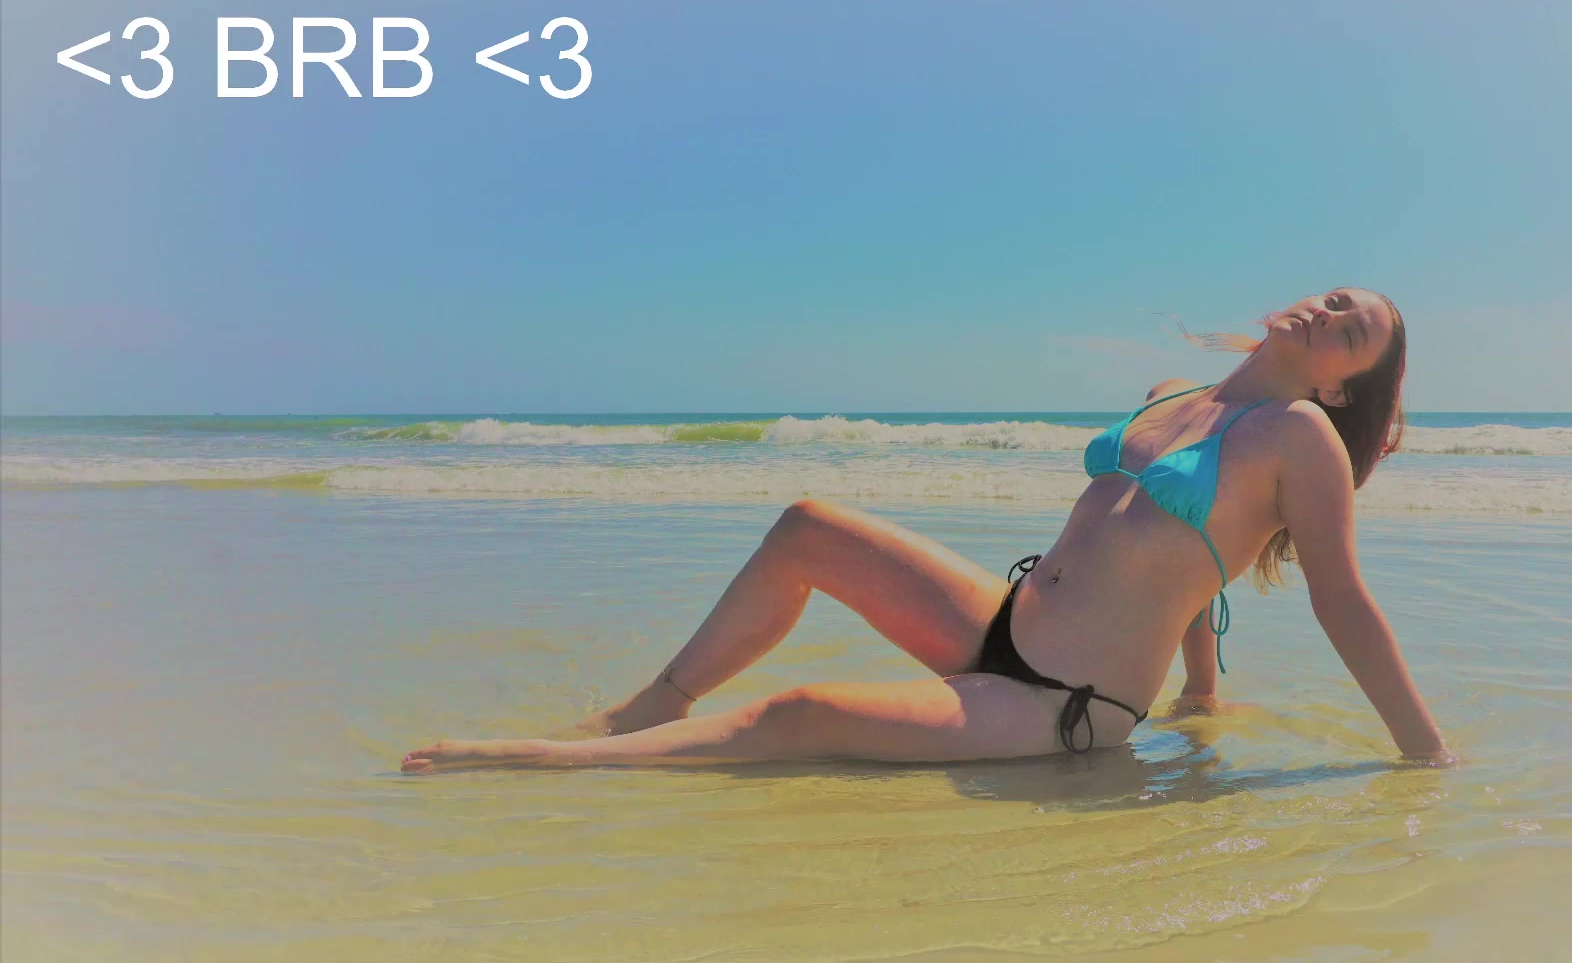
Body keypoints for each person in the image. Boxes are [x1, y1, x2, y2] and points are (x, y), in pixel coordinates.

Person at [400, 287, 1452, 772]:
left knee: (801, 712)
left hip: (1062, 702)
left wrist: (1424, 755)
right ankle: (653, 705)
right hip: (1005, 621)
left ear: (1342, 385)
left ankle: (553, 764)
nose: (1327, 314)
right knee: (806, 526)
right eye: (1334, 300)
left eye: (1350, 331)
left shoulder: (1298, 437)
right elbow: (1174, 553)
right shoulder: (1172, 394)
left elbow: (1342, 602)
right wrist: (1206, 691)